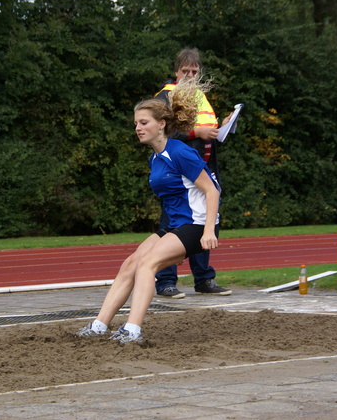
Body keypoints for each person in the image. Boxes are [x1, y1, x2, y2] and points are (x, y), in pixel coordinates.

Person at [77, 80, 220, 343]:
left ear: (161, 124)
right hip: (175, 223)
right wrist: (168, 241)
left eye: (144, 123)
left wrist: (208, 230)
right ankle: (99, 326)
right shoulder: (155, 157)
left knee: (147, 264)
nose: (138, 128)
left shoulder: (180, 152)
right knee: (130, 264)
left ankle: (132, 330)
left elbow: (212, 191)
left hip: (197, 224)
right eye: (136, 124)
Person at [153, 47, 232, 298]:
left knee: (203, 221)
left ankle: (203, 279)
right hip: (176, 171)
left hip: (202, 168)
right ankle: (165, 280)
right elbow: (161, 132)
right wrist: (196, 133)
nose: (189, 74)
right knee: (172, 222)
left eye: (194, 71)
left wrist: (224, 128)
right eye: (185, 70)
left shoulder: (199, 96)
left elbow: (208, 135)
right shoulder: (165, 97)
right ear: (176, 71)